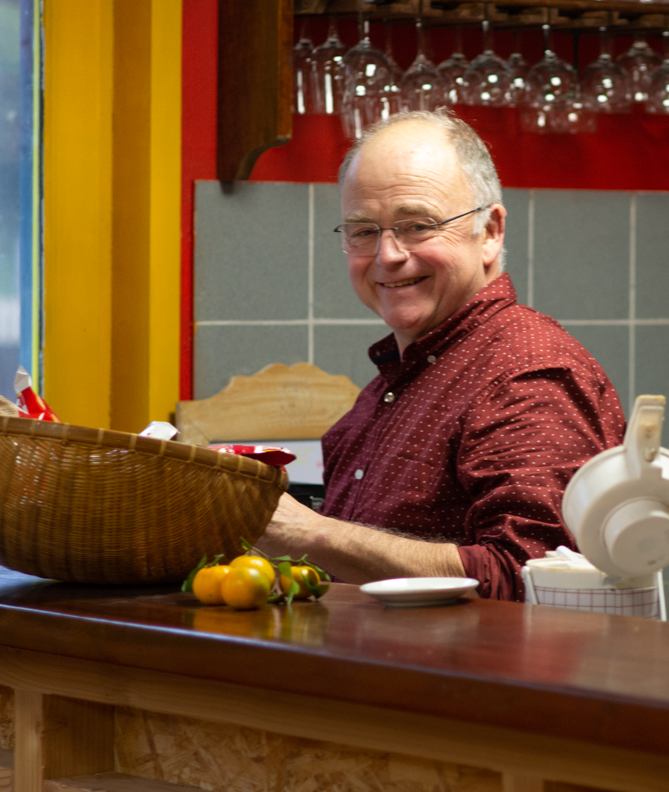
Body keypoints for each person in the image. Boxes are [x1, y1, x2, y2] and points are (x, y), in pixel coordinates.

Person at [257, 110, 626, 602]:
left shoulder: (527, 370)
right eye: (363, 230)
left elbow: (532, 579)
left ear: (490, 231)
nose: (387, 254)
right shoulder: (403, 377)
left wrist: (312, 533)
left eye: (417, 225)